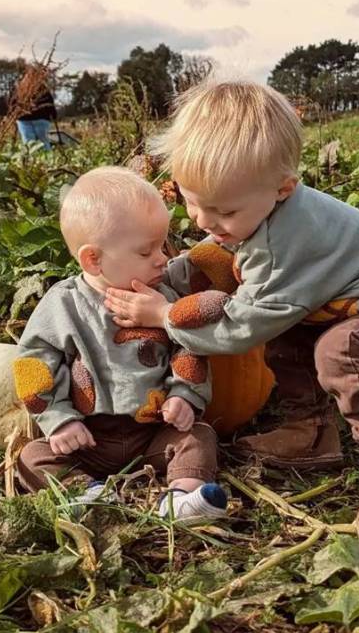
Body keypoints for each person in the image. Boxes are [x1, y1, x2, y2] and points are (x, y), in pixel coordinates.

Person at [104, 80, 359, 534]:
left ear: (284, 188)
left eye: (225, 212)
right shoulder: (259, 212)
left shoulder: (284, 247)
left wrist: (162, 316)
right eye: (191, 201)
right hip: (350, 300)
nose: (204, 221)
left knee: (340, 352)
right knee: (291, 330)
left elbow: (242, 329)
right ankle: (309, 431)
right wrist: (163, 276)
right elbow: (217, 253)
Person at [13, 166, 227, 522]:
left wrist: (183, 396)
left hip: (154, 432)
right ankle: (87, 493)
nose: (162, 259)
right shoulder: (63, 305)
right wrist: (59, 420)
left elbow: (187, 348)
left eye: (162, 246)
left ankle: (182, 495)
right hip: (88, 437)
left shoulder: (161, 298)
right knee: (31, 458)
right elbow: (34, 362)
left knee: (198, 436)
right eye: (146, 252)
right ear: (93, 259)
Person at [13, 66, 57, 149]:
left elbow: (14, 104)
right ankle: (46, 156)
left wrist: (13, 114)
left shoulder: (20, 89)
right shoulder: (43, 89)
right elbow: (50, 103)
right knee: (43, 142)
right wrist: (54, 115)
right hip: (41, 118)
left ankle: (32, 157)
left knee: (28, 143)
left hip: (24, 119)